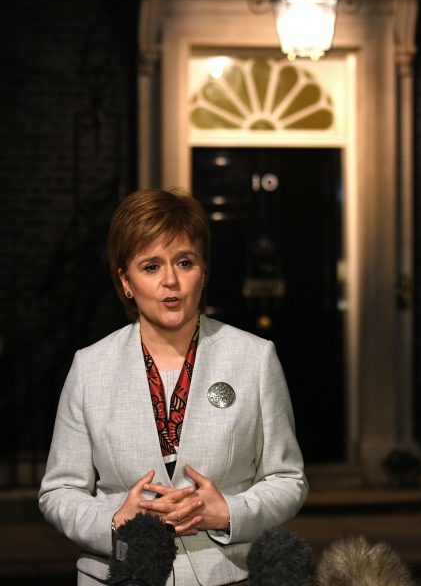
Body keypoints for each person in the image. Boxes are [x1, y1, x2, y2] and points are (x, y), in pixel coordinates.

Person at [39, 187, 308, 585]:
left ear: (204, 270)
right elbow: (59, 491)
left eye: (185, 262)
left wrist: (229, 513)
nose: (171, 281)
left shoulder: (254, 358)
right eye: (150, 267)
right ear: (125, 280)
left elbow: (288, 479)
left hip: (228, 577)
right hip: (119, 576)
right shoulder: (90, 366)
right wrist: (116, 520)